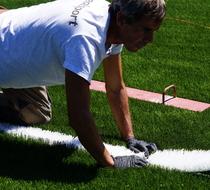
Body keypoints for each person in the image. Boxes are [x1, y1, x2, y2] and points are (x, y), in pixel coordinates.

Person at [0, 0, 166, 168]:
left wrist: (129, 137)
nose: (150, 39)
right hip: (5, 47)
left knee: (36, 113)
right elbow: (78, 116)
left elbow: (115, 87)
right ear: (122, 19)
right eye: (145, 29)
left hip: (10, 36)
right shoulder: (85, 38)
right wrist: (110, 162)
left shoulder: (111, 19)